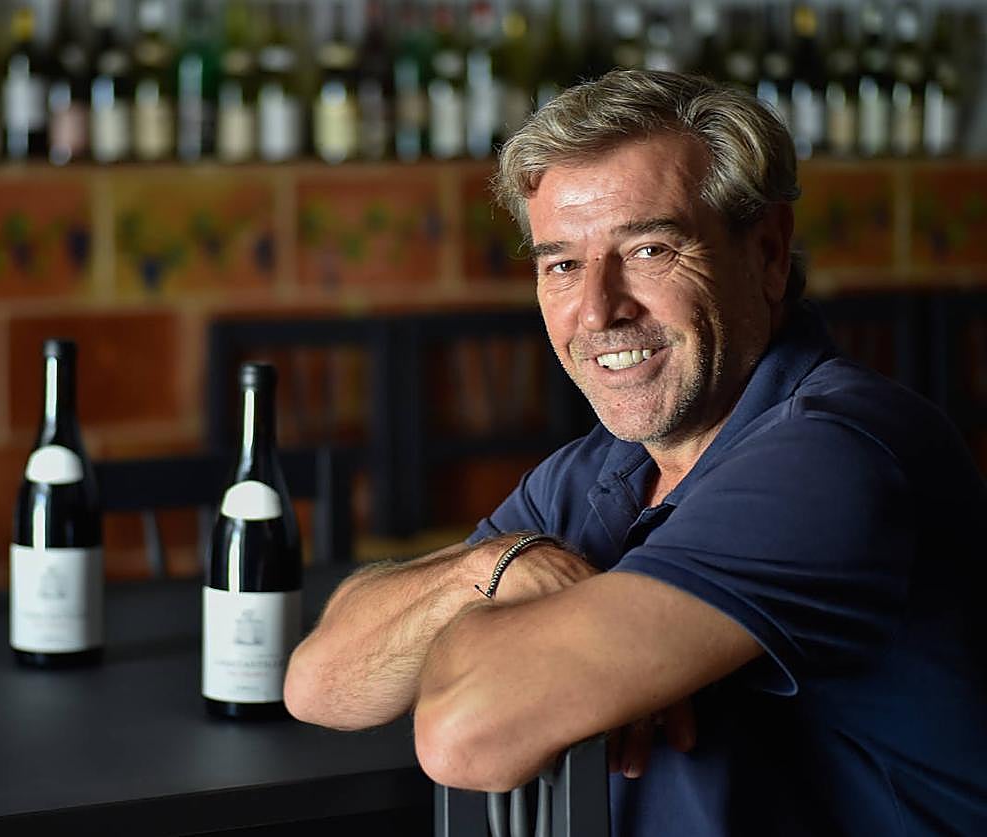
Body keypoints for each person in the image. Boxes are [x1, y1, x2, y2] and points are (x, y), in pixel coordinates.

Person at [283, 70, 987, 836]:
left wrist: (498, 638)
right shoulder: (606, 468)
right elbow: (320, 682)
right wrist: (496, 566)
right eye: (561, 264)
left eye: (649, 248)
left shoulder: (835, 457)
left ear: (769, 255)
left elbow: (465, 731)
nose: (597, 309)